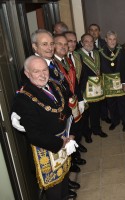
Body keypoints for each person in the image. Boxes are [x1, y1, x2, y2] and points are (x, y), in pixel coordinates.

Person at [11, 29, 80, 197]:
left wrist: (71, 134)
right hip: (48, 146)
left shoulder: (52, 68)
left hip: (62, 138)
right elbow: (23, 95)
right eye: (44, 44)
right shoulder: (29, 77)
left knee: (62, 184)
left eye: (51, 43)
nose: (50, 47)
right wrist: (15, 111)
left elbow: (65, 103)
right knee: (54, 192)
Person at [53, 34, 87, 165]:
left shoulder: (67, 60)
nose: (63, 47)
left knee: (74, 129)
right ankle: (71, 162)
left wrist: (81, 99)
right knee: (67, 132)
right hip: (64, 105)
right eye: (59, 44)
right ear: (54, 46)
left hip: (73, 101)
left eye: (65, 44)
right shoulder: (53, 64)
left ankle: (75, 154)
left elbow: (75, 82)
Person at [64, 31, 93, 143]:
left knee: (83, 117)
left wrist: (82, 92)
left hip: (79, 93)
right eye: (69, 41)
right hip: (68, 97)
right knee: (71, 122)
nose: (72, 44)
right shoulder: (60, 59)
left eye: (74, 41)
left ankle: (86, 134)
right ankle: (76, 143)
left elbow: (83, 74)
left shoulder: (77, 55)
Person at [77, 33, 108, 138]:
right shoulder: (78, 54)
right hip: (85, 88)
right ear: (81, 43)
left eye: (91, 41)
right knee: (85, 113)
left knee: (96, 110)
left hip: (97, 87)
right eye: (86, 41)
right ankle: (87, 133)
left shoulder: (97, 53)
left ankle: (96, 129)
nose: (89, 43)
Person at [99, 30, 125, 131]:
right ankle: (115, 121)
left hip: (121, 81)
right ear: (106, 40)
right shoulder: (101, 51)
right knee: (111, 104)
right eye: (110, 39)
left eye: (114, 39)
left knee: (123, 104)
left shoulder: (122, 50)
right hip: (108, 83)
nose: (112, 41)